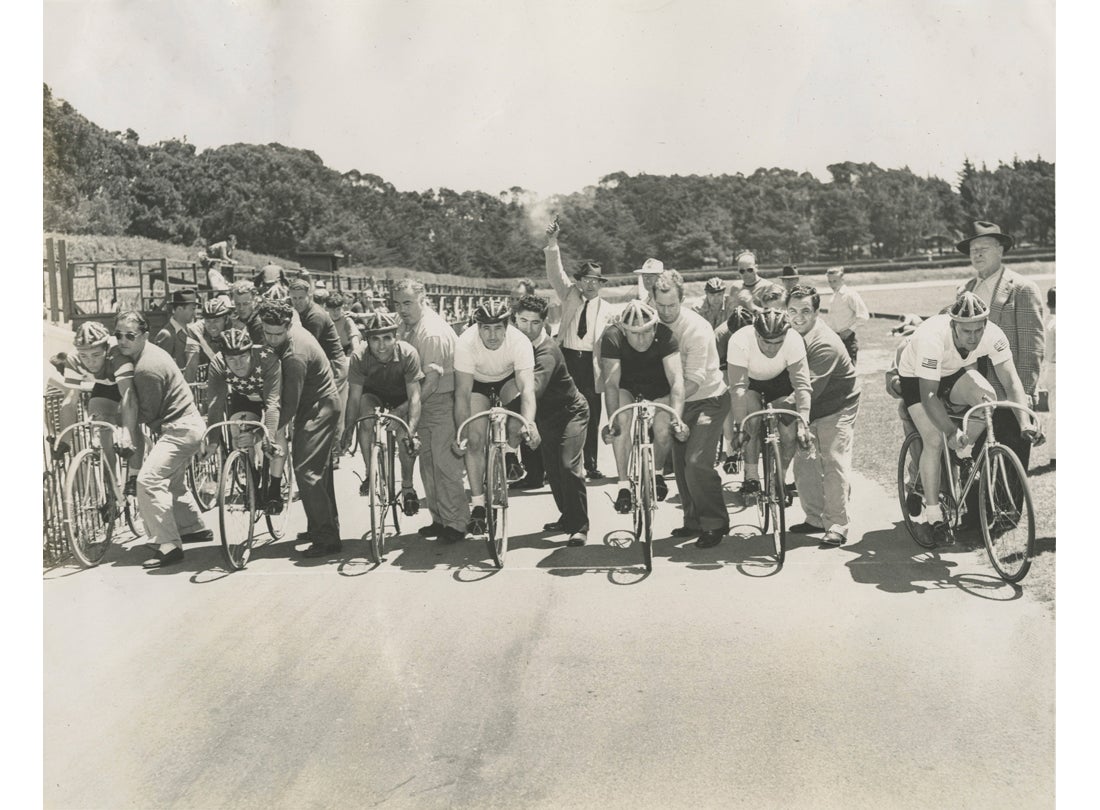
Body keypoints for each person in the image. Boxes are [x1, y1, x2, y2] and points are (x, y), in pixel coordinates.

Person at [894, 292, 1040, 544]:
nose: (973, 338)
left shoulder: (994, 335)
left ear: (986, 324)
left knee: (987, 398)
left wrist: (1024, 421)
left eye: (978, 330)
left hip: (952, 370)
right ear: (953, 325)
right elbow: (929, 394)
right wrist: (950, 431)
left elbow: (1011, 380)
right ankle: (934, 516)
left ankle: (963, 451)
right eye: (966, 332)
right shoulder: (932, 337)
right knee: (933, 441)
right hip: (916, 378)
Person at [113, 311, 211, 569]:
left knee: (149, 480)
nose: (122, 341)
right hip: (187, 426)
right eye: (118, 335)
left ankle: (168, 546)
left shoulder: (147, 369)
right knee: (172, 482)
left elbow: (148, 413)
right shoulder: (149, 353)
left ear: (144, 335)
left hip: (179, 429)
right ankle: (192, 528)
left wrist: (120, 422)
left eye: (129, 336)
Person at [955, 221, 1045, 471]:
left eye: (984, 248)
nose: (978, 254)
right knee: (972, 469)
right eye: (973, 250)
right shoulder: (964, 291)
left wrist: (1024, 395)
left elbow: (1032, 348)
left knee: (1011, 473)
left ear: (1001, 250)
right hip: (972, 397)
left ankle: (1008, 512)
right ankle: (972, 511)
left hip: (1009, 396)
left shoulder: (1022, 289)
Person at [257, 298, 343, 558]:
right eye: (267, 333)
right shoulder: (288, 333)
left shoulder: (295, 353)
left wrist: (269, 433)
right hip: (316, 402)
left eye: (277, 334)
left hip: (319, 406)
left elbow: (290, 405)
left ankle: (327, 538)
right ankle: (323, 525)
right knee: (319, 470)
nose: (272, 339)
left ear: (287, 326)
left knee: (306, 469)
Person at [652, 270, 731, 548]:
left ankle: (716, 523)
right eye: (660, 305)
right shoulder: (652, 322)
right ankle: (693, 521)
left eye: (671, 305)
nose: (665, 311)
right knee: (682, 462)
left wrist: (667, 405)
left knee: (697, 462)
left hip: (708, 398)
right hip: (678, 400)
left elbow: (695, 380)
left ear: (682, 300)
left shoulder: (696, 327)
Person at [504, 295, 591, 546]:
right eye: (522, 321)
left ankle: (579, 527)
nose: (528, 328)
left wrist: (504, 409)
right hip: (545, 417)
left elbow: (534, 389)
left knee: (568, 466)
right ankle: (568, 517)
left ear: (544, 323)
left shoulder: (547, 351)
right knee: (553, 471)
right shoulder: (513, 344)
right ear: (514, 320)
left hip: (570, 412)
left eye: (535, 323)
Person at [452, 300, 541, 537]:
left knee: (518, 417)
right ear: (477, 327)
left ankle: (511, 452)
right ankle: (479, 505)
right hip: (477, 384)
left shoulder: (520, 342)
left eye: (498, 328)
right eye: (486, 328)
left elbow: (528, 390)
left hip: (507, 380)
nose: (492, 335)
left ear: (507, 325)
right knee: (474, 439)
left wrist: (528, 424)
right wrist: (460, 432)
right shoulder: (465, 343)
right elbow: (461, 395)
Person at [781, 285, 861, 547]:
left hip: (836, 404)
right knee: (804, 463)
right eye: (792, 310)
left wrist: (774, 407)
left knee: (833, 461)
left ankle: (838, 524)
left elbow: (808, 392)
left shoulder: (824, 342)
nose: (798, 317)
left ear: (817, 312)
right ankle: (815, 519)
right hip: (809, 404)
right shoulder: (786, 332)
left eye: (806, 311)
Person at [392, 278, 469, 543]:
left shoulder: (431, 331)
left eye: (408, 303)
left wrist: (403, 409)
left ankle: (457, 523)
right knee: (427, 464)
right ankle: (439, 519)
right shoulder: (406, 325)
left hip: (439, 400)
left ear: (422, 299)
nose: (402, 309)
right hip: (421, 401)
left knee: (445, 465)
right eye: (398, 303)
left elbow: (432, 381)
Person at [600, 300, 687, 515]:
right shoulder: (612, 337)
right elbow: (611, 384)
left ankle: (657, 472)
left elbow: (676, 381)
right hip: (627, 386)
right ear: (623, 329)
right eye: (635, 333)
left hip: (659, 386)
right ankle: (623, 486)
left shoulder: (666, 336)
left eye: (647, 331)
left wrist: (677, 418)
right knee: (621, 421)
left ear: (654, 326)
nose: (642, 339)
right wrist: (611, 422)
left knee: (663, 426)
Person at [544, 220, 611, 480]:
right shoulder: (569, 295)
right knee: (563, 410)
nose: (592, 285)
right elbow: (554, 273)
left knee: (592, 413)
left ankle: (591, 463)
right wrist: (553, 242)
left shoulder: (608, 310)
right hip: (568, 359)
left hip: (592, 364)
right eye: (587, 280)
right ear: (579, 281)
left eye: (596, 280)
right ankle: (560, 464)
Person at [340, 311, 424, 513]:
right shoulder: (359, 356)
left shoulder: (408, 353)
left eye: (387, 338)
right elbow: (353, 398)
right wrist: (348, 430)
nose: (381, 345)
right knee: (366, 418)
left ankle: (407, 486)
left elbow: (414, 397)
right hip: (373, 393)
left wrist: (411, 431)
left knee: (405, 435)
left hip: (401, 396)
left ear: (396, 337)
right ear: (367, 340)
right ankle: (371, 473)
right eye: (375, 339)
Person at [726, 309, 812, 501]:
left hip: (782, 382)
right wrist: (740, 427)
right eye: (766, 342)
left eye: (778, 342)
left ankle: (779, 477)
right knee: (751, 423)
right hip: (751, 382)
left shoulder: (794, 339)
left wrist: (803, 424)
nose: (772, 348)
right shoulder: (739, 340)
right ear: (756, 333)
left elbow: (802, 386)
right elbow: (738, 388)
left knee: (789, 435)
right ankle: (752, 476)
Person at [53, 321, 144, 493]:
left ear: (106, 349)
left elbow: (128, 396)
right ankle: (112, 484)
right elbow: (71, 399)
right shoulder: (73, 359)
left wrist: (126, 432)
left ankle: (135, 475)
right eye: (84, 356)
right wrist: (63, 439)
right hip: (106, 384)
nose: (90, 363)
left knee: (131, 423)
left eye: (96, 355)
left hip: (130, 384)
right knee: (101, 422)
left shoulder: (117, 354)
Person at [203, 328, 287, 511]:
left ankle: (274, 490)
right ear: (224, 358)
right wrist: (212, 442)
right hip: (245, 397)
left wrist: (266, 438)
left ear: (251, 352)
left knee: (277, 432)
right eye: (231, 359)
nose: (238, 364)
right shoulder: (217, 363)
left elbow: (273, 404)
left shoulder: (267, 358)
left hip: (272, 396)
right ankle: (251, 478)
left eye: (242, 357)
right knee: (239, 431)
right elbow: (215, 404)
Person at [508, 278, 547, 488]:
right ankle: (529, 470)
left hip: (536, 377)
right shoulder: (511, 320)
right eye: (512, 298)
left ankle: (536, 473)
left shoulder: (534, 324)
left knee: (529, 416)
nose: (514, 302)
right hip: (516, 377)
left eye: (519, 298)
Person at [713, 306, 756, 470]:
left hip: (750, 364)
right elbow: (718, 371)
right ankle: (731, 452)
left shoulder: (757, 330)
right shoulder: (719, 335)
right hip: (725, 367)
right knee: (728, 398)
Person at [823, 266, 869, 364]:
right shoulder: (834, 296)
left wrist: (849, 330)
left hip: (847, 340)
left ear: (842, 279)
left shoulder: (850, 295)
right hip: (834, 339)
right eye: (830, 282)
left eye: (835, 281)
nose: (832, 284)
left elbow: (863, 315)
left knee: (849, 371)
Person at [153, 289, 201, 380]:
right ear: (179, 309)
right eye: (192, 309)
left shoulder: (190, 331)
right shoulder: (167, 334)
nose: (195, 313)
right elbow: (160, 369)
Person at [188, 297, 233, 386]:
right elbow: (191, 365)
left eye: (216, 321)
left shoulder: (236, 327)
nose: (212, 326)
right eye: (208, 321)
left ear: (226, 319)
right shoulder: (195, 330)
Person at [1040, 286, 1055, 469]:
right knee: (1057, 414)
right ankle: (1055, 455)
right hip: (1056, 366)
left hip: (1050, 368)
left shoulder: (1046, 321)